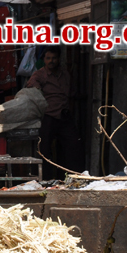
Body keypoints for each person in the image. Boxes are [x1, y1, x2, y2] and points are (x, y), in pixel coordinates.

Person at [25, 46, 83, 178]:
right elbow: (31, 88)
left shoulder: (65, 74)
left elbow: (71, 93)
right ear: (44, 60)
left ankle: (73, 177)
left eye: (54, 58)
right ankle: (46, 178)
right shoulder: (39, 75)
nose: (51, 61)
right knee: (44, 149)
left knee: (73, 146)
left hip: (65, 116)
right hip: (48, 116)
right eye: (48, 58)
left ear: (59, 59)